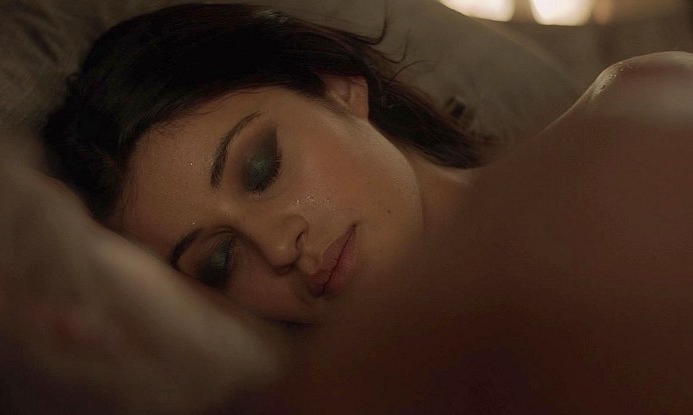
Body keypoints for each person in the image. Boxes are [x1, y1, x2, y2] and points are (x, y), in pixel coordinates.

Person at [44, 3, 693, 412]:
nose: (277, 246)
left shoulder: (633, 116)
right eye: (220, 260)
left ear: (336, 85)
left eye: (262, 169)